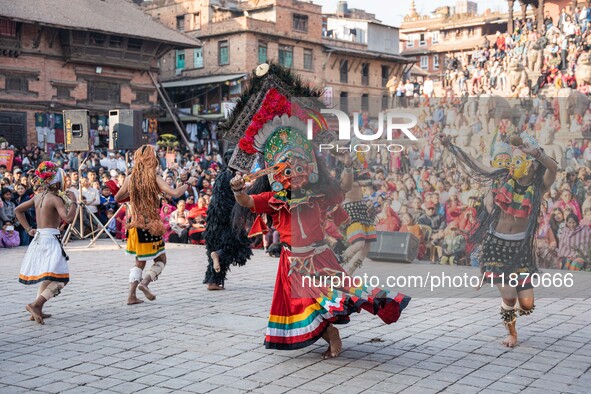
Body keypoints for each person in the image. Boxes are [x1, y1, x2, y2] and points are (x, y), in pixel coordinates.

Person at [226, 63, 410, 359]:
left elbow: (344, 186)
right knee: (305, 303)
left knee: (330, 297)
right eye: (287, 168)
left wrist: (348, 163)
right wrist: (237, 189)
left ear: (309, 168)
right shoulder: (275, 197)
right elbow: (247, 203)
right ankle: (330, 334)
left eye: (300, 166)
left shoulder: (319, 192)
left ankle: (332, 334)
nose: (295, 172)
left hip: (320, 255)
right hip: (292, 260)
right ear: (276, 172)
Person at [441, 131, 557, 347]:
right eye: (515, 160)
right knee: (509, 296)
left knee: (527, 305)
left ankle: (514, 311)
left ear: (531, 165)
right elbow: (477, 165)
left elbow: (553, 169)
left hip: (520, 249)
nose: (515, 164)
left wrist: (537, 153)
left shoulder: (538, 187)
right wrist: (451, 147)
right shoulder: (503, 177)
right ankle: (512, 333)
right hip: (497, 246)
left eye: (521, 160)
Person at [115, 145, 196, 305]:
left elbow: (118, 197)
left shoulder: (130, 178)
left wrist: (134, 194)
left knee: (139, 261)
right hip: (150, 225)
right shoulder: (153, 177)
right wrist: (189, 184)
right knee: (161, 260)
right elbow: (174, 193)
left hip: (135, 225)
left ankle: (131, 296)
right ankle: (145, 283)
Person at [15, 161, 77, 324]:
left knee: (47, 276)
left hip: (39, 238)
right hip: (50, 240)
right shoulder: (54, 199)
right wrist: (75, 202)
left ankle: (37, 310)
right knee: (61, 279)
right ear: (57, 181)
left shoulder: (38, 196)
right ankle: (36, 304)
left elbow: (18, 210)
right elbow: (69, 218)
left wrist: (29, 229)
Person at [202, 150, 252, 290]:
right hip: (227, 216)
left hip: (214, 219)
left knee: (215, 245)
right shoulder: (232, 177)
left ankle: (213, 282)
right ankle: (218, 255)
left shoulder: (221, 175)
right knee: (237, 245)